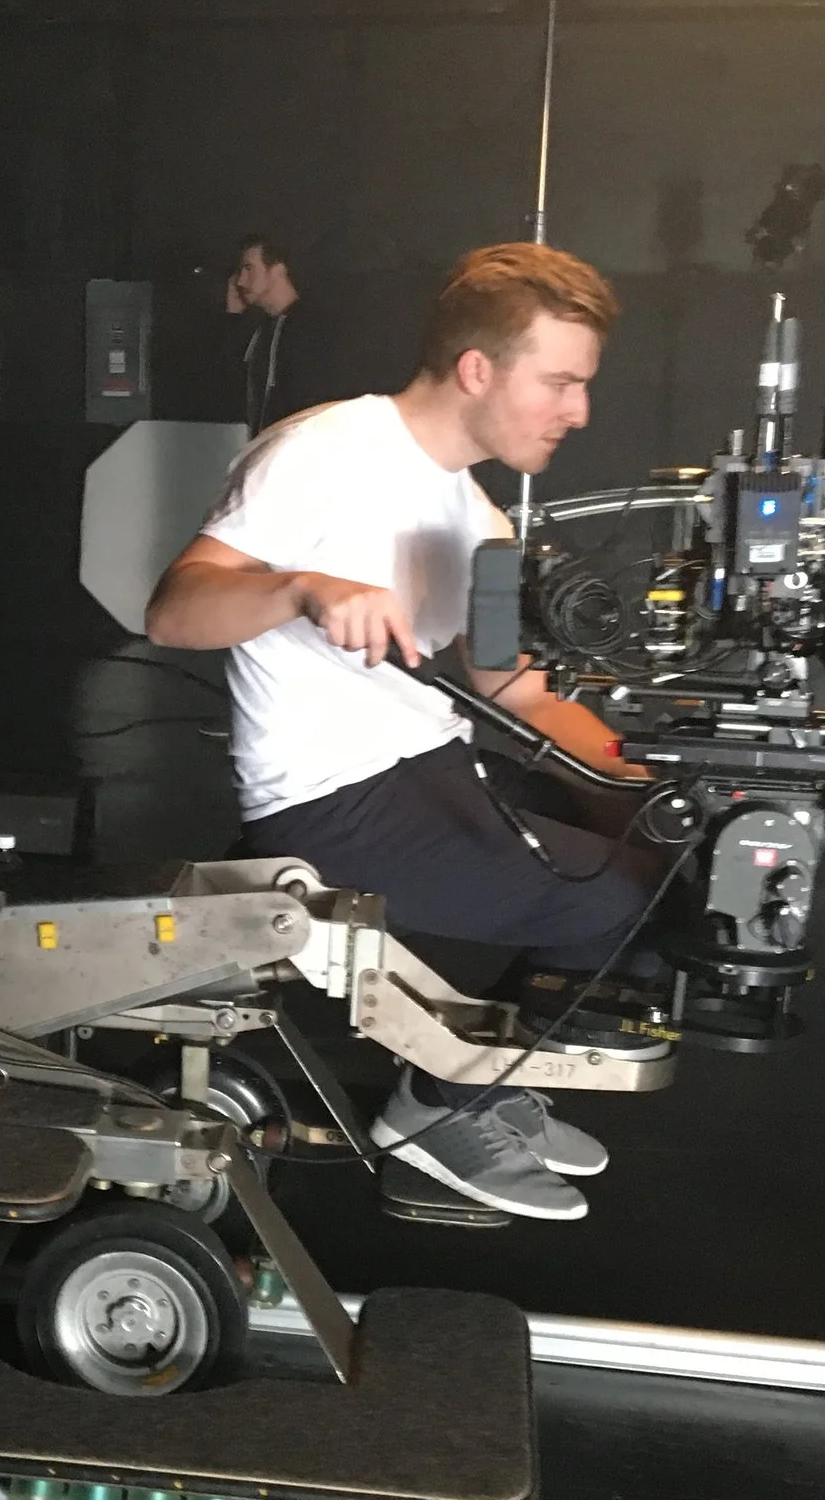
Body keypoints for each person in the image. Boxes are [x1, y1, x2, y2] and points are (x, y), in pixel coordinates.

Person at [149, 243, 660, 1223]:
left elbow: (514, 687)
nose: (577, 411)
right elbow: (174, 611)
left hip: (429, 764)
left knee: (667, 856)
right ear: (479, 368)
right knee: (621, 901)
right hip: (331, 802)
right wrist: (300, 587)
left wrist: (648, 781)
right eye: (558, 382)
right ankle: (438, 1109)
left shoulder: (481, 519)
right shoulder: (322, 450)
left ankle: (490, 1079)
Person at [226, 234, 334, 434]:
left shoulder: (312, 326)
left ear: (277, 271)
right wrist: (234, 319)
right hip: (266, 450)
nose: (240, 281)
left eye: (249, 269)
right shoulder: (261, 331)